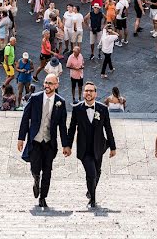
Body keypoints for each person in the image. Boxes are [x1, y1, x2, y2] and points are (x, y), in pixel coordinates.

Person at [17, 74, 71, 208]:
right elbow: (25, 118)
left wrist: (66, 145)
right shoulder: (35, 98)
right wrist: (21, 138)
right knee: (35, 168)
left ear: (56, 85)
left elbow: (62, 126)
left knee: (47, 171)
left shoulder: (60, 102)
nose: (47, 85)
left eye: (50, 83)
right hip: (35, 140)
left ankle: (43, 197)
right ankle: (36, 179)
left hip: (49, 142)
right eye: (46, 82)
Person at [67, 81, 117, 209]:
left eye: (91, 91)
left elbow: (108, 128)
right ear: (83, 93)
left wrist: (113, 147)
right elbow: (72, 128)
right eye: (86, 90)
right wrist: (68, 145)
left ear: (95, 93)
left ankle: (90, 191)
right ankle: (93, 200)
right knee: (91, 173)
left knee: (98, 172)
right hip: (84, 149)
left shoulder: (103, 109)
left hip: (99, 147)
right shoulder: (77, 109)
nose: (88, 93)